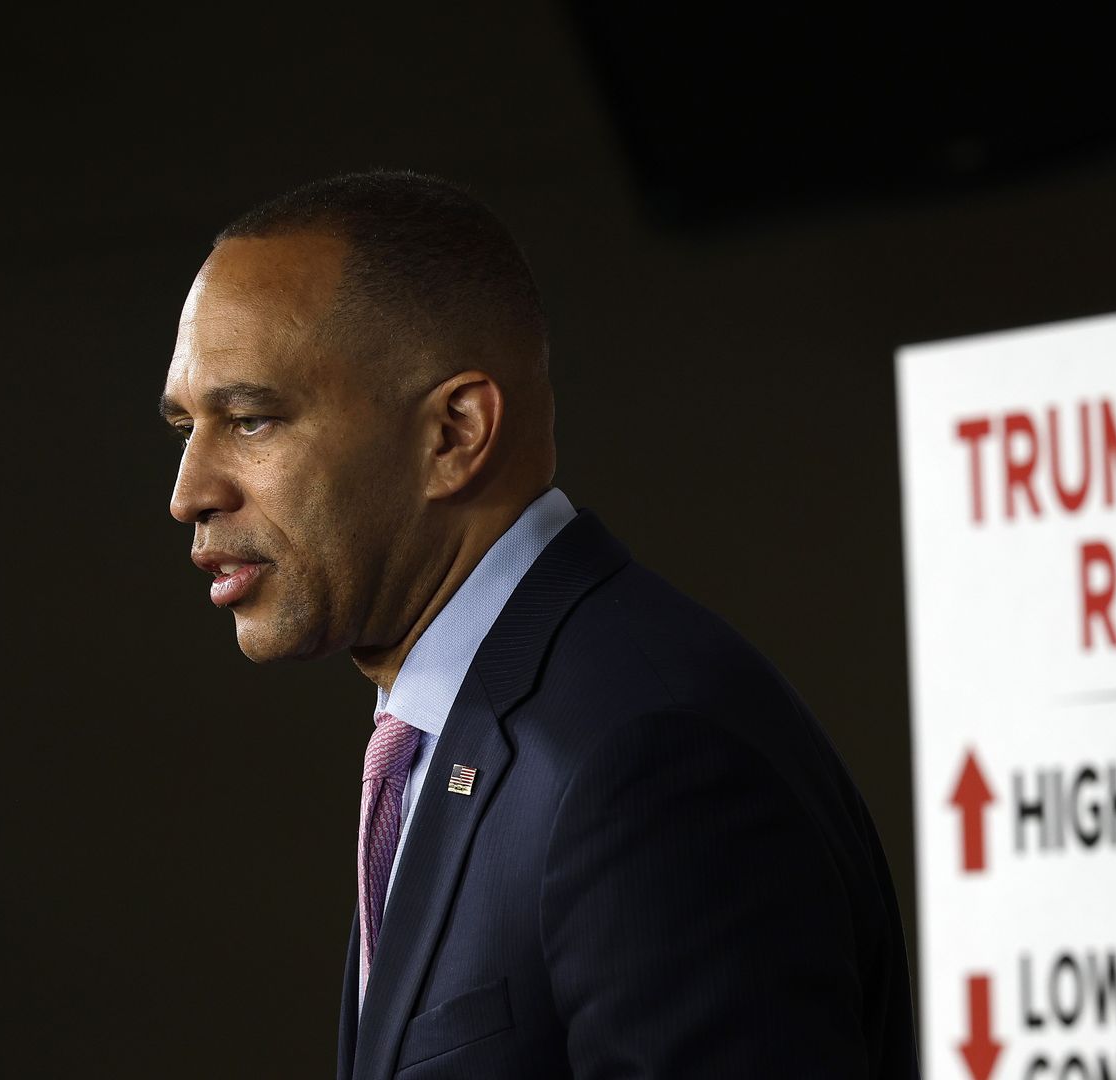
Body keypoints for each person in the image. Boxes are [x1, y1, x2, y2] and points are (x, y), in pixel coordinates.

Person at [160, 171, 921, 1079]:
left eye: (250, 421)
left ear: (455, 433)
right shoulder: (450, 736)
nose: (190, 493)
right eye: (185, 428)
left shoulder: (647, 756)